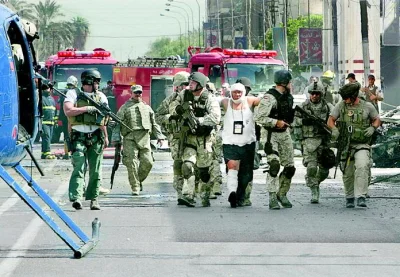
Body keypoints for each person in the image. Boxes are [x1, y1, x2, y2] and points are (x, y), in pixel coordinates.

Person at [169, 72, 221, 207]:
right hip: (189, 139)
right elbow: (172, 106)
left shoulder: (209, 98)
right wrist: (178, 110)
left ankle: (204, 195)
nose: (190, 85)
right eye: (189, 82)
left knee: (204, 172)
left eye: (192, 82)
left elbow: (216, 117)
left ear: (200, 84)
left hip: (205, 140)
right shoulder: (184, 95)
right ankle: (189, 195)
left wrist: (199, 120)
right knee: (187, 166)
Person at [328, 82, 381, 208]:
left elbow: (377, 119)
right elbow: (331, 120)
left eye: (346, 97)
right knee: (347, 171)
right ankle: (350, 197)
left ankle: (361, 196)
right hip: (346, 144)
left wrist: (373, 128)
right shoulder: (341, 106)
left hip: (362, 143)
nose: (345, 100)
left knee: (362, 166)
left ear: (353, 96)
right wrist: (334, 129)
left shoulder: (367, 106)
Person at [64, 69, 109, 210]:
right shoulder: (73, 94)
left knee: (95, 170)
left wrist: (106, 137)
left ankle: (94, 199)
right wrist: (86, 108)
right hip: (78, 136)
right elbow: (68, 110)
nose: (97, 84)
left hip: (96, 136)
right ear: (88, 81)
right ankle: (77, 197)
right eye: (96, 81)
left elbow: (103, 119)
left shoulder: (101, 96)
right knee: (79, 166)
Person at [112, 85, 165, 196]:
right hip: (130, 138)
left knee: (148, 162)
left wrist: (160, 136)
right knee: (132, 163)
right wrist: (116, 138)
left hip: (145, 138)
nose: (138, 94)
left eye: (140, 92)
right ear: (131, 93)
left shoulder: (147, 107)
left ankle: (138, 180)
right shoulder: (124, 107)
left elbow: (154, 123)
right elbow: (117, 123)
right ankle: (135, 186)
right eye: (136, 92)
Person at [254, 70, 296, 210]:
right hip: (270, 135)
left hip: (285, 134)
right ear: (284, 83)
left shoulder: (288, 97)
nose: (291, 85)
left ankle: (282, 193)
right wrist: (275, 122)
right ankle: (272, 196)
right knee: (274, 165)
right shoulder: (269, 98)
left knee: (290, 168)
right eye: (289, 82)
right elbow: (259, 118)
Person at [293, 81, 334, 204]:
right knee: (311, 167)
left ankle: (314, 182)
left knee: (324, 170)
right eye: (312, 94)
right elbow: (293, 123)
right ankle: (314, 191)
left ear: (321, 94)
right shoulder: (303, 107)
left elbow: (335, 119)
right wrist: (303, 122)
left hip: (323, 142)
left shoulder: (328, 107)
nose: (314, 96)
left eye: (317, 94)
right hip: (308, 141)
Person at [221, 83, 261, 207]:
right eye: (235, 92)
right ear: (230, 92)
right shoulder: (225, 102)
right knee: (232, 167)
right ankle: (232, 193)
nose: (237, 95)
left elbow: (265, 100)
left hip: (247, 143)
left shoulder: (250, 101)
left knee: (246, 174)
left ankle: (241, 195)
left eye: (239, 92)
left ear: (243, 93)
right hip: (230, 142)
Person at [155, 71, 190, 203]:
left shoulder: (195, 97)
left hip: (193, 136)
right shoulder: (170, 100)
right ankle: (181, 193)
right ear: (177, 86)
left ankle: (192, 191)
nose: (186, 87)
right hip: (176, 138)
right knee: (179, 163)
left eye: (188, 84)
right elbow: (157, 116)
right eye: (184, 84)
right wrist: (170, 118)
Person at [59, 75, 78, 160]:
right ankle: (74, 152)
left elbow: (60, 106)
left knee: (66, 135)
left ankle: (67, 153)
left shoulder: (63, 93)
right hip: (74, 116)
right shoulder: (76, 93)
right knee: (74, 134)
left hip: (64, 117)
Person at [40, 83, 56, 159]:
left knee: (49, 138)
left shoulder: (52, 99)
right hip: (44, 122)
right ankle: (47, 153)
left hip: (51, 122)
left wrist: (55, 120)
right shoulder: (41, 98)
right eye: (46, 88)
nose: (48, 90)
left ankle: (44, 153)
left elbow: (54, 111)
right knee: (46, 136)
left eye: (49, 88)